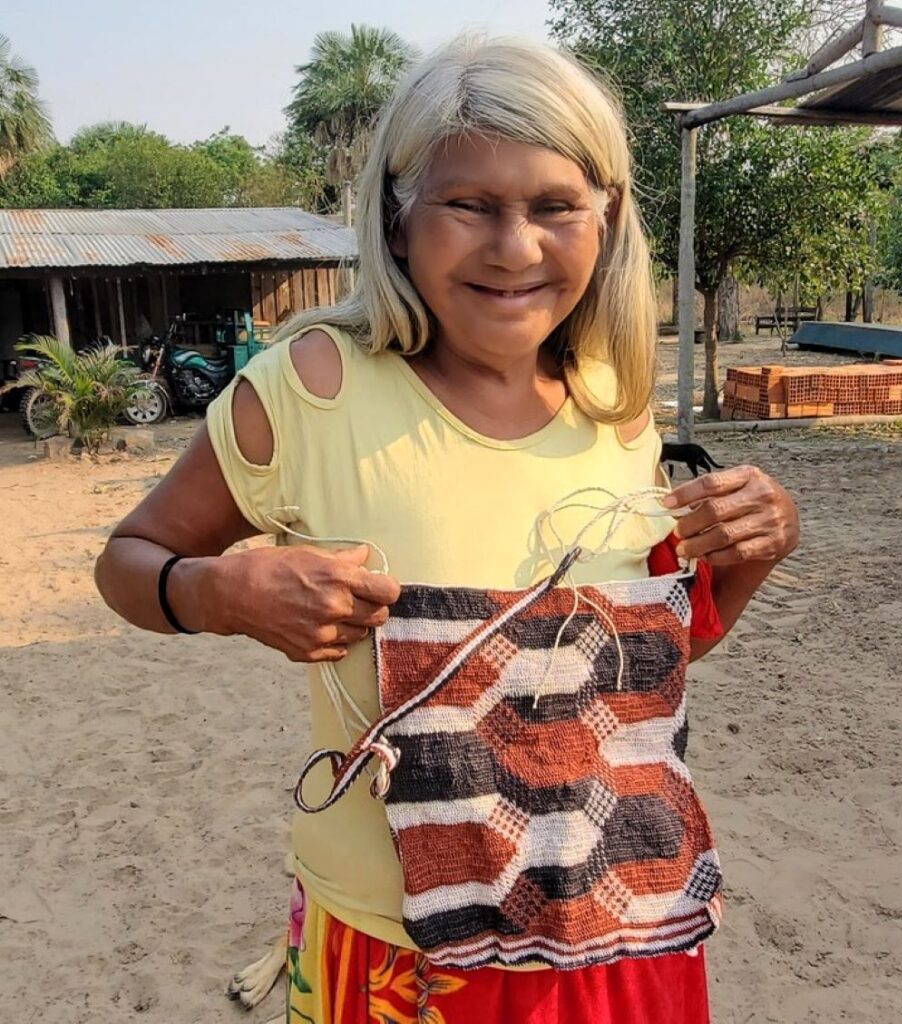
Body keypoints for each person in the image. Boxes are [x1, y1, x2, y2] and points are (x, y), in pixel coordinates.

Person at [95, 36, 799, 1024]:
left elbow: (640, 663)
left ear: (607, 214)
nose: (513, 247)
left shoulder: (617, 404)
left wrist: (758, 549)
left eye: (554, 205)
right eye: (469, 204)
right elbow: (127, 560)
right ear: (396, 213)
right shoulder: (311, 393)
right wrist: (219, 592)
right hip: (400, 958)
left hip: (618, 928)